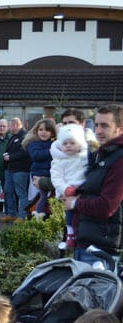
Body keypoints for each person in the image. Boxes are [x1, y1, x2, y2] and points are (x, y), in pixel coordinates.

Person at [64, 104, 123, 265]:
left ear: (120, 129)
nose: (99, 131)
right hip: (88, 243)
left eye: (105, 126)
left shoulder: (119, 159)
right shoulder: (102, 154)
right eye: (97, 125)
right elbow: (94, 188)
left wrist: (75, 203)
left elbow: (107, 206)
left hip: (103, 249)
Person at [50, 123, 88, 250]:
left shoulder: (85, 157)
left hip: (83, 189)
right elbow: (56, 177)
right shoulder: (59, 160)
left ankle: (78, 233)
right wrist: (64, 189)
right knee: (70, 212)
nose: (68, 146)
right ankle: (70, 234)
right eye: (65, 144)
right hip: (68, 190)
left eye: (72, 143)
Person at [25, 118, 56, 219]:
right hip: (38, 175)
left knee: (49, 199)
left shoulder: (54, 144)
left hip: (50, 176)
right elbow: (36, 155)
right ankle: (35, 216)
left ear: (52, 133)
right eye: (41, 130)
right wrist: (51, 151)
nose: (43, 132)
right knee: (39, 198)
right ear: (36, 131)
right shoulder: (33, 144)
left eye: (47, 130)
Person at [1, 117, 30, 222]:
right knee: (8, 191)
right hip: (10, 169)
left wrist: (11, 157)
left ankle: (22, 216)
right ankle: (11, 214)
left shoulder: (25, 137)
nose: (8, 128)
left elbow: (26, 153)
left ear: (15, 125)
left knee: (21, 193)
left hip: (20, 170)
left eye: (9, 126)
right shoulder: (13, 137)